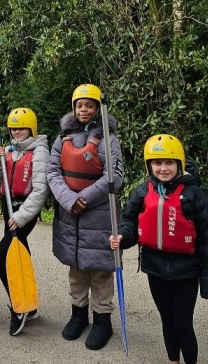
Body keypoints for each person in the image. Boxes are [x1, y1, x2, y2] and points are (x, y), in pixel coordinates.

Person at [111, 134, 208, 364]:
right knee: (167, 320)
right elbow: (129, 222)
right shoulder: (142, 192)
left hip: (186, 271)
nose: (163, 168)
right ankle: (173, 360)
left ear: (179, 164)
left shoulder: (194, 195)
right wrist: (122, 237)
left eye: (169, 162)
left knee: (182, 321)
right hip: (155, 267)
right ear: (149, 165)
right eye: (157, 163)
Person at [46, 83, 124, 350]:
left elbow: (115, 178)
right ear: (73, 108)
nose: (84, 109)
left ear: (97, 108)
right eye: (80, 105)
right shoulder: (63, 137)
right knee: (77, 267)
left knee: (101, 271)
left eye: (89, 105)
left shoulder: (109, 140)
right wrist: (70, 200)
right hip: (71, 214)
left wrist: (84, 199)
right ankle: (78, 315)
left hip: (99, 214)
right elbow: (52, 172)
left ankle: (102, 321)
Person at [0, 107, 49, 336]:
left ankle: (18, 305)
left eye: (21, 128)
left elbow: (41, 190)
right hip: (8, 206)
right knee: (20, 255)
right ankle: (29, 306)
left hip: (24, 211)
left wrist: (21, 217)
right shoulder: (9, 150)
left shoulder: (40, 151)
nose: (17, 132)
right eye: (13, 128)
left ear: (31, 128)